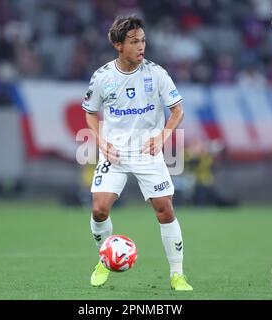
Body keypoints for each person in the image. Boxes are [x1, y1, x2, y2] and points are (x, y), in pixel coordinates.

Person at [82, 15, 193, 291]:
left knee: (165, 211)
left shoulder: (156, 74)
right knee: (99, 210)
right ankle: (104, 259)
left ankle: (177, 275)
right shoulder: (103, 77)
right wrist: (100, 142)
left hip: (147, 152)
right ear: (119, 45)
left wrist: (164, 135)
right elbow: (90, 113)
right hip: (115, 154)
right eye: (134, 42)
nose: (141, 46)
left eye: (143, 40)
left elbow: (178, 110)